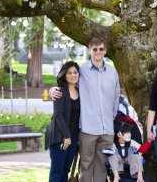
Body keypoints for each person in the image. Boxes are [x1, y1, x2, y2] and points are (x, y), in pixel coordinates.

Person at [50, 37, 120, 182]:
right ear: (90, 50)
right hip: (88, 128)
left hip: (107, 129)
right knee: (86, 165)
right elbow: (67, 80)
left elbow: (116, 98)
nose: (98, 52)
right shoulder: (81, 70)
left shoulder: (112, 72)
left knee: (102, 165)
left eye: (101, 49)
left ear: (105, 51)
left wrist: (111, 116)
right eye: (95, 49)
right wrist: (52, 89)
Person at [45, 61, 80, 182]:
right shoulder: (59, 91)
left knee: (66, 170)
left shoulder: (80, 91)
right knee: (56, 171)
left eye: (75, 72)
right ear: (64, 75)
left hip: (74, 137)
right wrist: (66, 136)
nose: (72, 75)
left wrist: (73, 138)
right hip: (60, 136)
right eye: (69, 73)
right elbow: (58, 115)